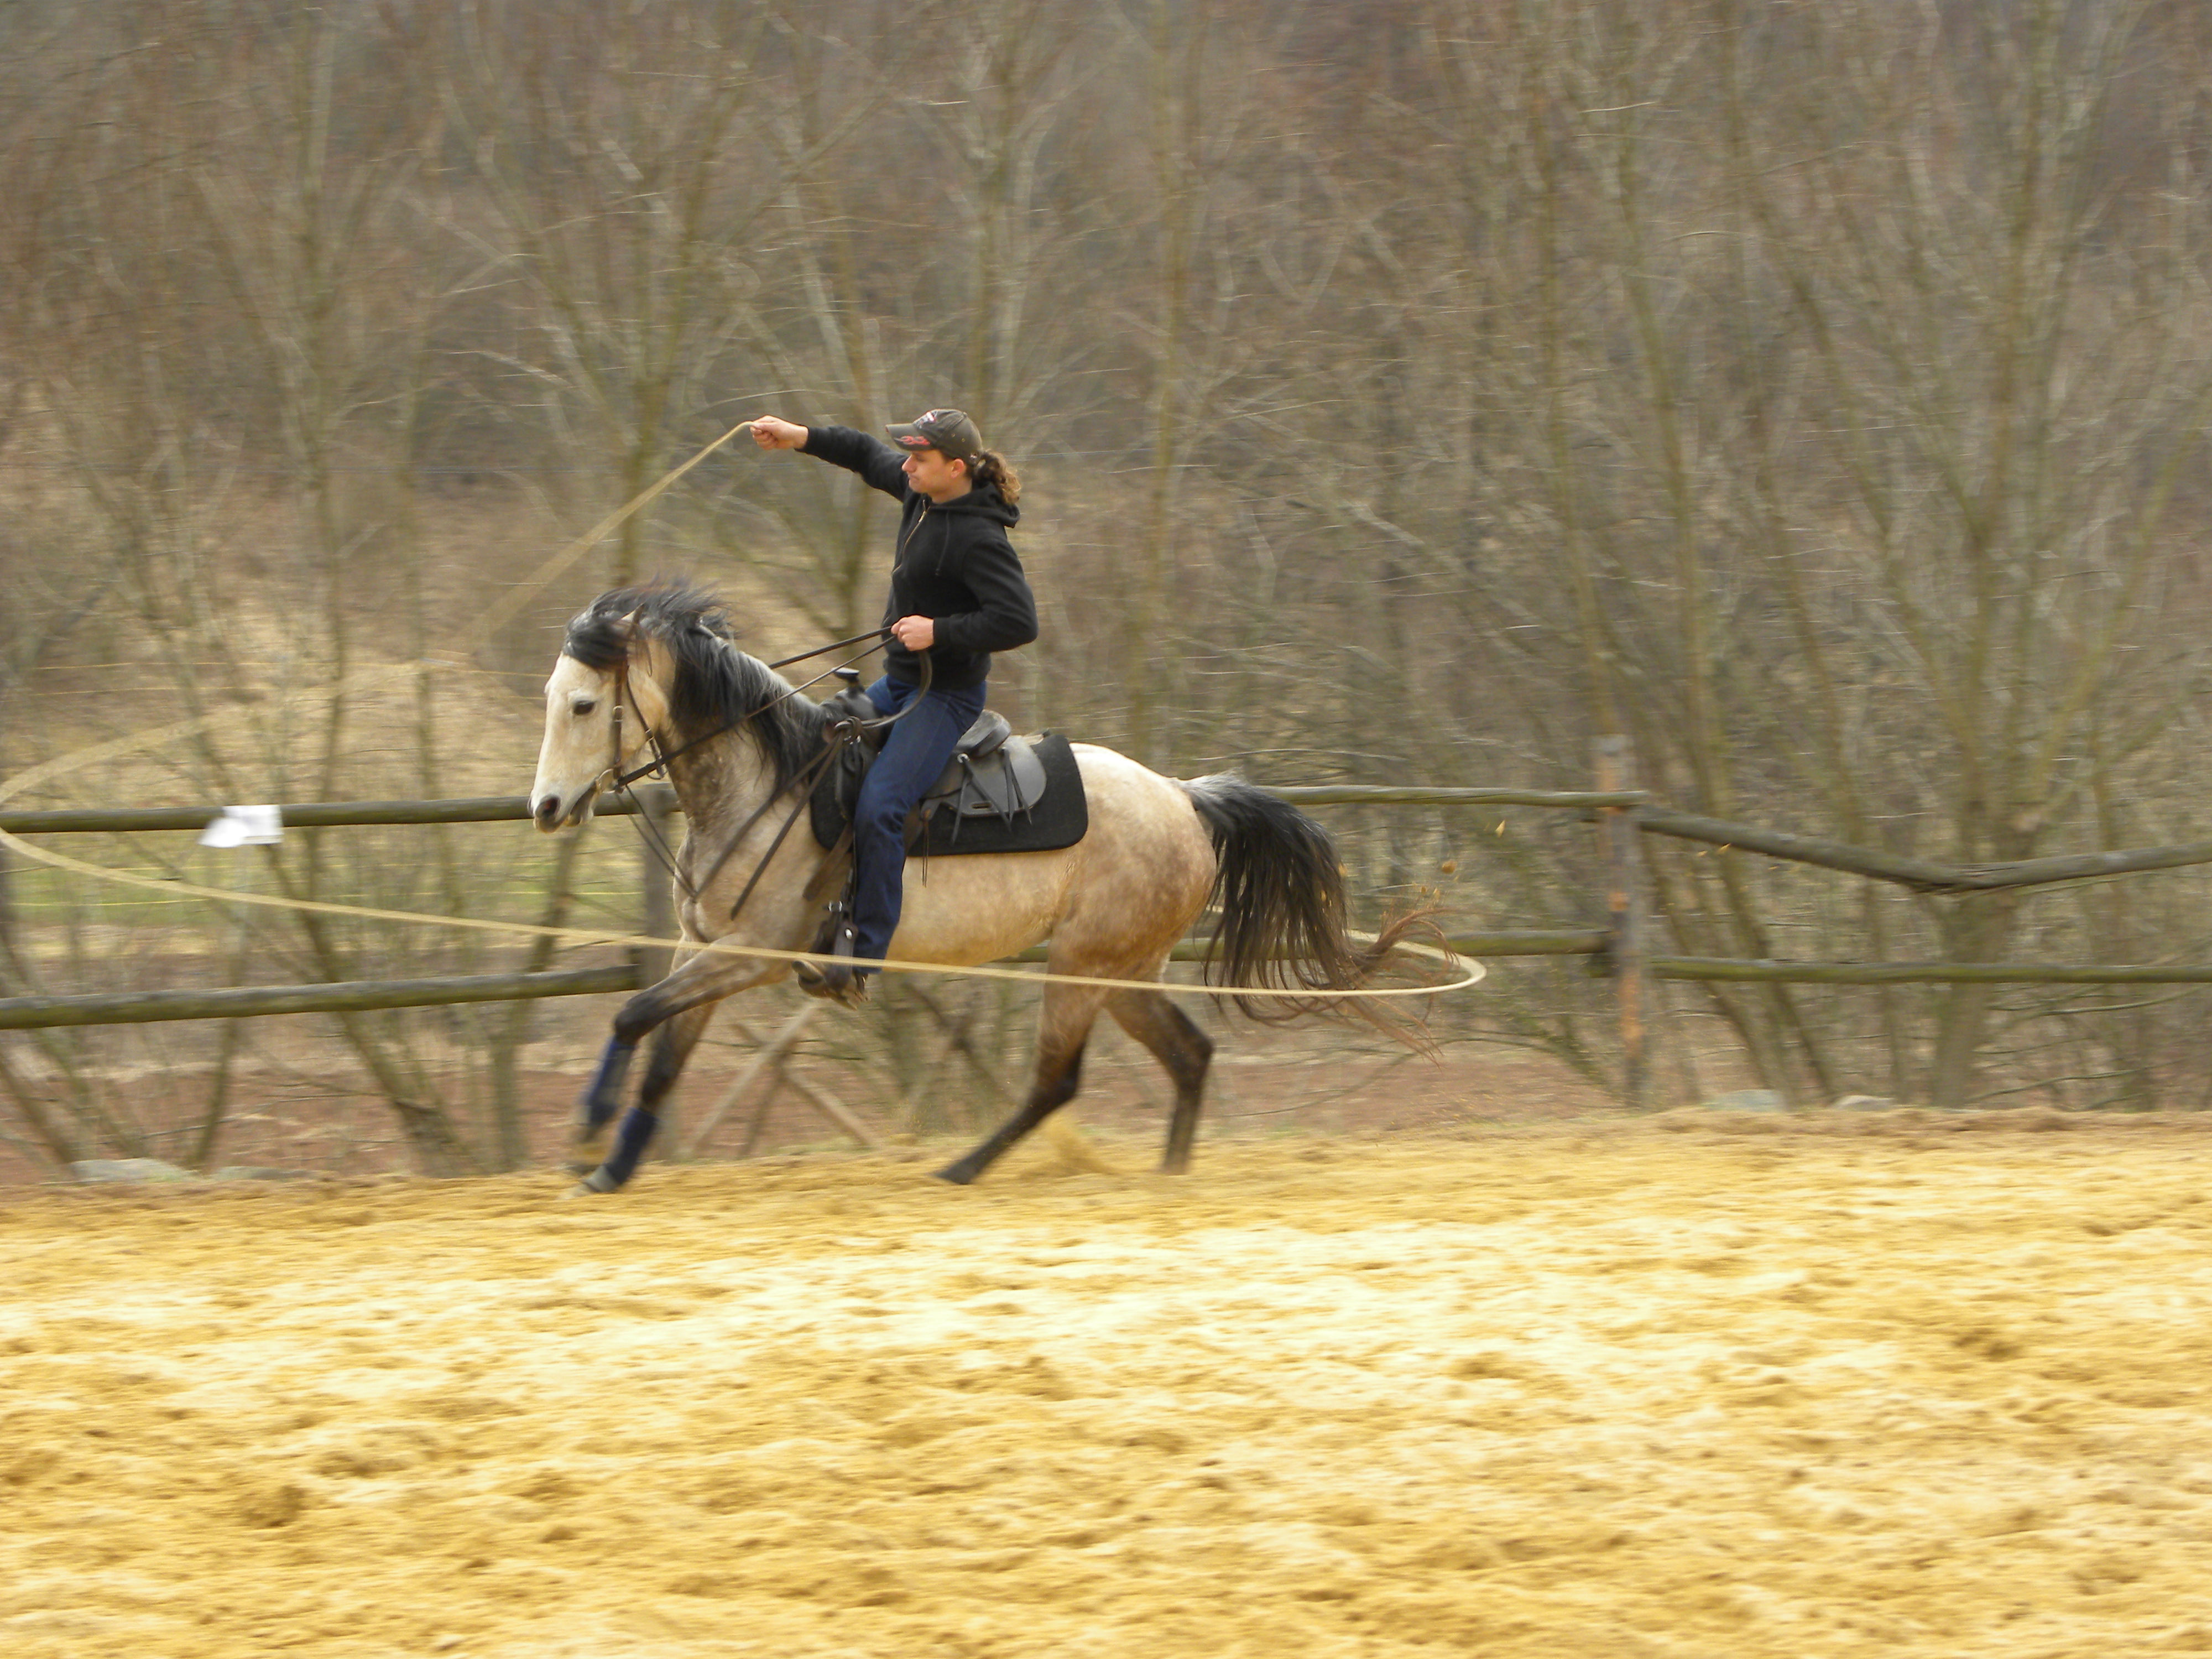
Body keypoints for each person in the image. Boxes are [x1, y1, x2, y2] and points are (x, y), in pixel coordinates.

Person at [748, 407, 1039, 1004]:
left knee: (881, 804)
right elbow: (859, 452)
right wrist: (797, 436)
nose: (905, 466)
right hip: (898, 684)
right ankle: (813, 901)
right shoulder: (918, 494)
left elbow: (1018, 620)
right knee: (814, 752)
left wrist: (940, 631)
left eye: (919, 459)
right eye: (907, 456)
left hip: (946, 697)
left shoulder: (981, 537)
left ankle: (861, 951)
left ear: (954, 468)